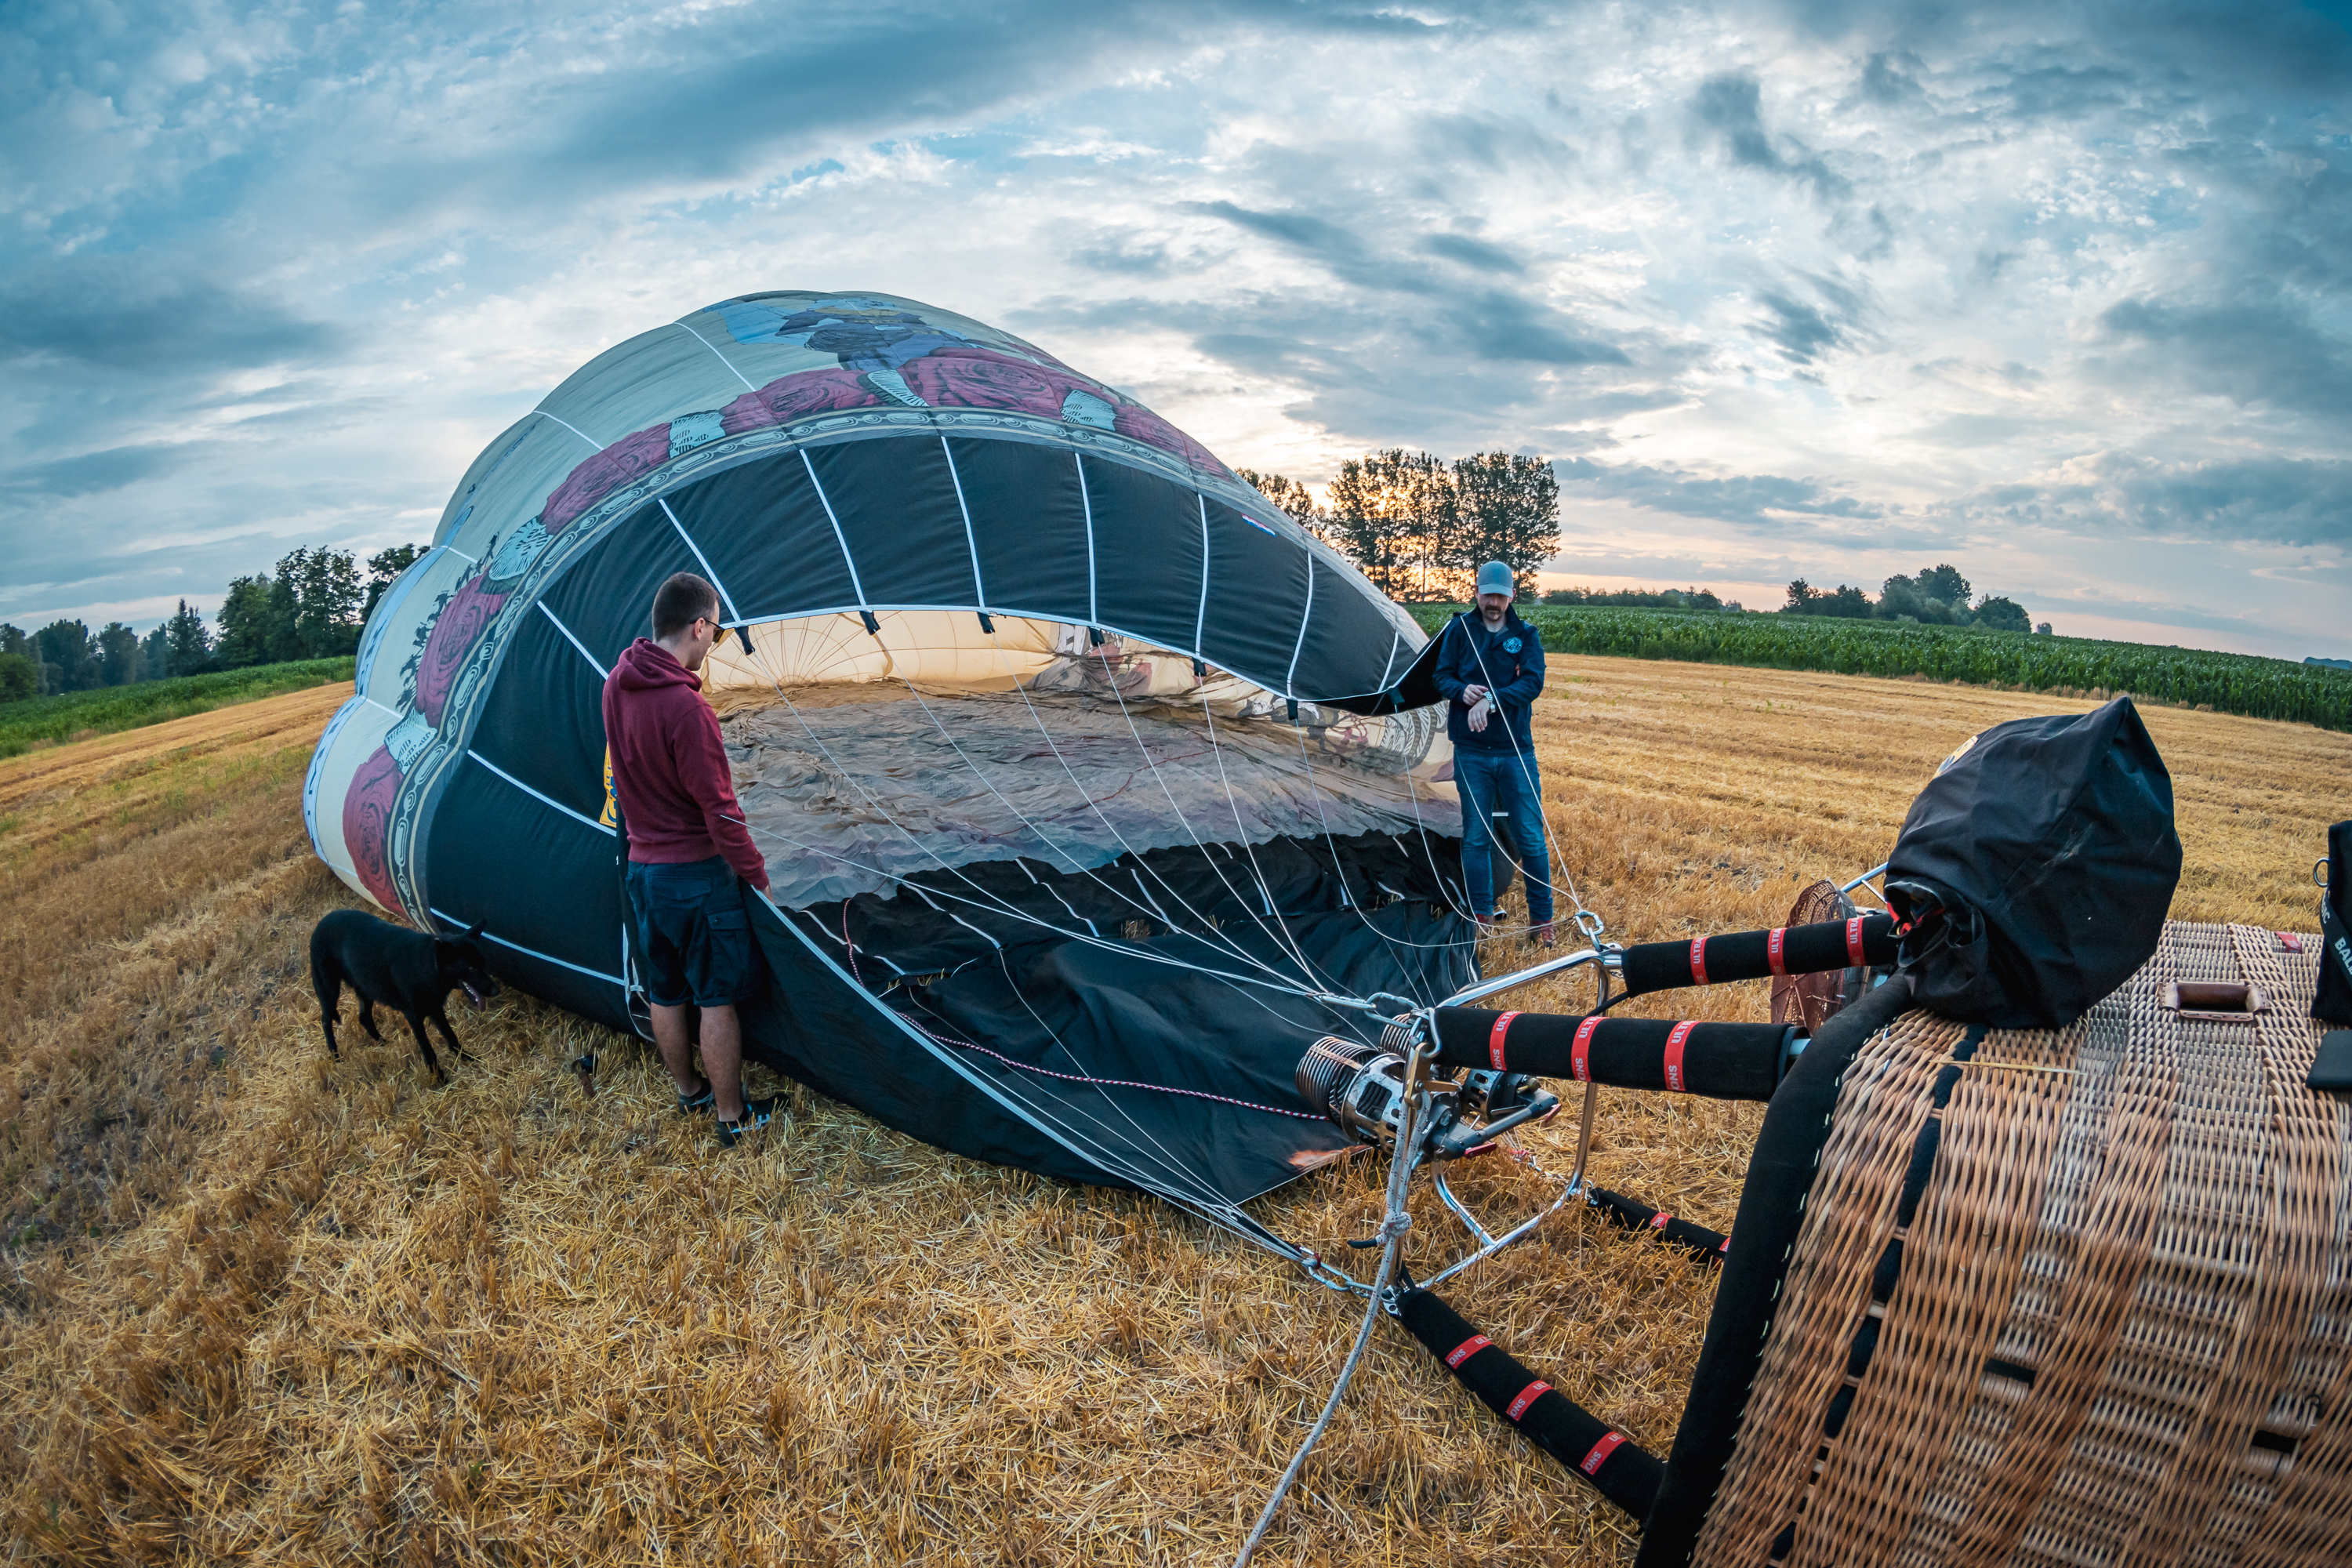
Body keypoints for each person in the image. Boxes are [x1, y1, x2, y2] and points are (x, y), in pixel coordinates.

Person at [602, 572, 778, 1145]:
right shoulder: (687, 708)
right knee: (715, 998)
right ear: (698, 626)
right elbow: (721, 812)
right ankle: (733, 1118)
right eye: (717, 634)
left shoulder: (615, 684)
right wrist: (757, 875)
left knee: (665, 990)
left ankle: (690, 1092)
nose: (713, 645)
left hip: (642, 872)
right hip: (696, 878)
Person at [1433, 561, 1556, 946]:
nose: (1494, 602)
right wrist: (1460, 691)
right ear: (1476, 592)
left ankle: (1542, 921)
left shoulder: (1527, 635)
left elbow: (1532, 683)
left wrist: (1492, 701)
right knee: (1475, 837)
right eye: (1488, 594)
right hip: (1471, 753)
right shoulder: (1459, 630)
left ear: (1511, 596)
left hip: (1515, 751)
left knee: (1531, 837)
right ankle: (1482, 916)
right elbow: (1440, 676)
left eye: (1501, 596)